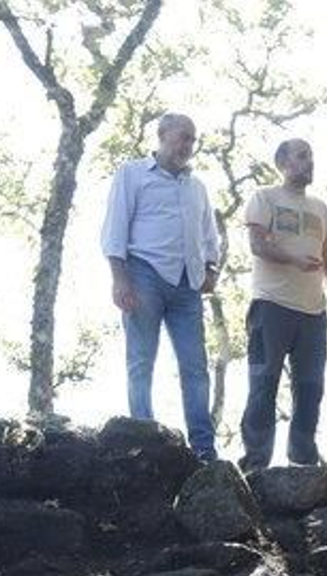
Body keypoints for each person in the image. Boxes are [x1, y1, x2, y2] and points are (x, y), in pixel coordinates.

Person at [101, 112, 219, 461]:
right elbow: (115, 228)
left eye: (192, 139)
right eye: (183, 136)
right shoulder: (132, 174)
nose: (188, 145)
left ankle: (203, 450)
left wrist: (211, 269)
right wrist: (119, 277)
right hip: (143, 274)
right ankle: (144, 440)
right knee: (141, 360)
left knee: (195, 366)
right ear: (162, 135)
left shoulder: (197, 187)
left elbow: (209, 236)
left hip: (187, 285)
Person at [239, 138, 327, 472]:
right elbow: (257, 245)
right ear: (283, 163)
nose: (310, 162)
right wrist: (293, 258)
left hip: (313, 313)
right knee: (264, 383)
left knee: (310, 388)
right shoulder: (264, 198)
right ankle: (255, 464)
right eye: (302, 156)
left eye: (312, 155)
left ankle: (303, 461)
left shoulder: (320, 208)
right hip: (271, 307)